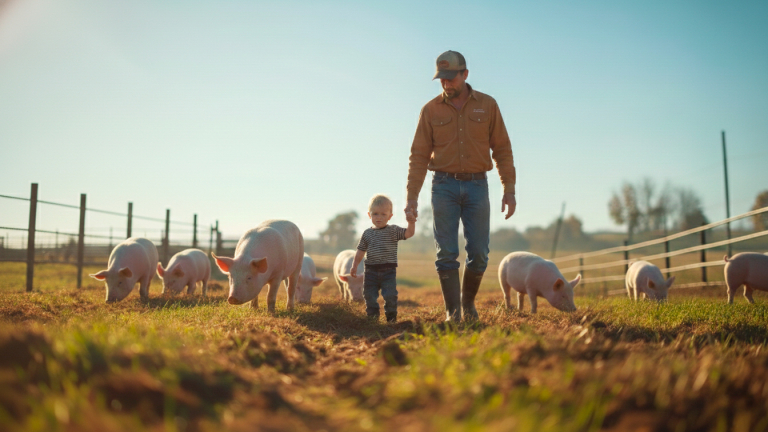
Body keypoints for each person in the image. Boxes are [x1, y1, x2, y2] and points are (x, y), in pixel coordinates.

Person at [405, 50, 516, 322]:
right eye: (441, 79)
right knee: (446, 253)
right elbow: (418, 157)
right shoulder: (430, 110)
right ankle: (452, 313)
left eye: (451, 78)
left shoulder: (488, 106)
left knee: (479, 253)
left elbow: (502, 149)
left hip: (478, 186)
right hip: (442, 186)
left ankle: (467, 304)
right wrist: (411, 199)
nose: (446, 84)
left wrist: (509, 189)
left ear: (465, 74)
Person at [350, 194, 416, 323]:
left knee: (390, 295)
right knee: (369, 295)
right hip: (370, 271)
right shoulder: (367, 233)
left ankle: (391, 319)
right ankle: (372, 318)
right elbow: (360, 251)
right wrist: (354, 265)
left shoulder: (393, 231)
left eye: (383, 214)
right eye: (375, 214)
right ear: (369, 215)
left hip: (388, 271)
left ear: (390, 216)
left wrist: (411, 222)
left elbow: (409, 233)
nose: (379, 218)